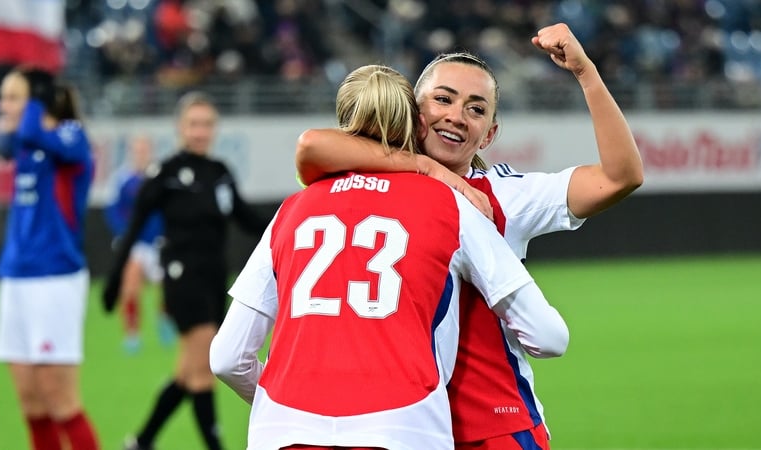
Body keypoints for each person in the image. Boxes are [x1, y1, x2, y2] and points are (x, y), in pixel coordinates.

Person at [294, 23, 644, 449]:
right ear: (412, 109)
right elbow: (312, 147)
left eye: (476, 110)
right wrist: (427, 168)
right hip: (399, 427)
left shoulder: (503, 196)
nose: (456, 116)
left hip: (491, 427)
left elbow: (621, 176)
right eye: (443, 99)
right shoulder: (377, 182)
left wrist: (586, 73)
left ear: (490, 134)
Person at [209, 64, 569, 450]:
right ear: (416, 124)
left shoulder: (292, 210)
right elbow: (548, 337)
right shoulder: (450, 204)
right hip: (402, 426)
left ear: (342, 118)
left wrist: (281, 408)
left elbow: (228, 358)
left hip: (281, 431)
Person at [101, 91, 268, 450]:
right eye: (193, 124)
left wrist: (291, 225)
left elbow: (245, 217)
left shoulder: (220, 173)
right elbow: (133, 227)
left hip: (213, 280)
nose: (200, 131)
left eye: (207, 124)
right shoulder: (167, 172)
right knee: (205, 370)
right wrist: (116, 279)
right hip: (180, 278)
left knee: (188, 372)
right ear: (180, 127)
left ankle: (142, 441)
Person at [0, 68, 100, 450]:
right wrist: (6, 109)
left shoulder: (69, 135)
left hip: (54, 279)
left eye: (13, 97)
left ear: (38, 100)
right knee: (31, 404)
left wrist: (35, 102)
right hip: (15, 277)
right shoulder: (19, 141)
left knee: (61, 401)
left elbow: (35, 132)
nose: (3, 106)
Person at [103, 134, 175, 354]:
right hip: (137, 245)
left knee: (167, 289)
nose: (141, 153)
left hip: (159, 244)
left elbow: (170, 208)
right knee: (131, 289)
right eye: (138, 149)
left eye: (145, 149)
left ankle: (164, 321)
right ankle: (132, 335)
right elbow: (113, 211)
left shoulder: (161, 177)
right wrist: (124, 235)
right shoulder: (123, 180)